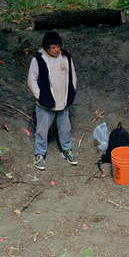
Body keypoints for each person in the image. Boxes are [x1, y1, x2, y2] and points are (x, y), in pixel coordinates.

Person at [27, 30, 78, 170]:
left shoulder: (66, 57)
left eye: (58, 46)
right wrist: (41, 97)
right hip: (46, 104)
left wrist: (71, 93)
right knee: (42, 130)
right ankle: (40, 154)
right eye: (53, 47)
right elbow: (31, 80)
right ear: (46, 48)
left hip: (63, 102)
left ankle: (67, 150)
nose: (56, 50)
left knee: (65, 128)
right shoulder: (38, 59)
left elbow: (72, 76)